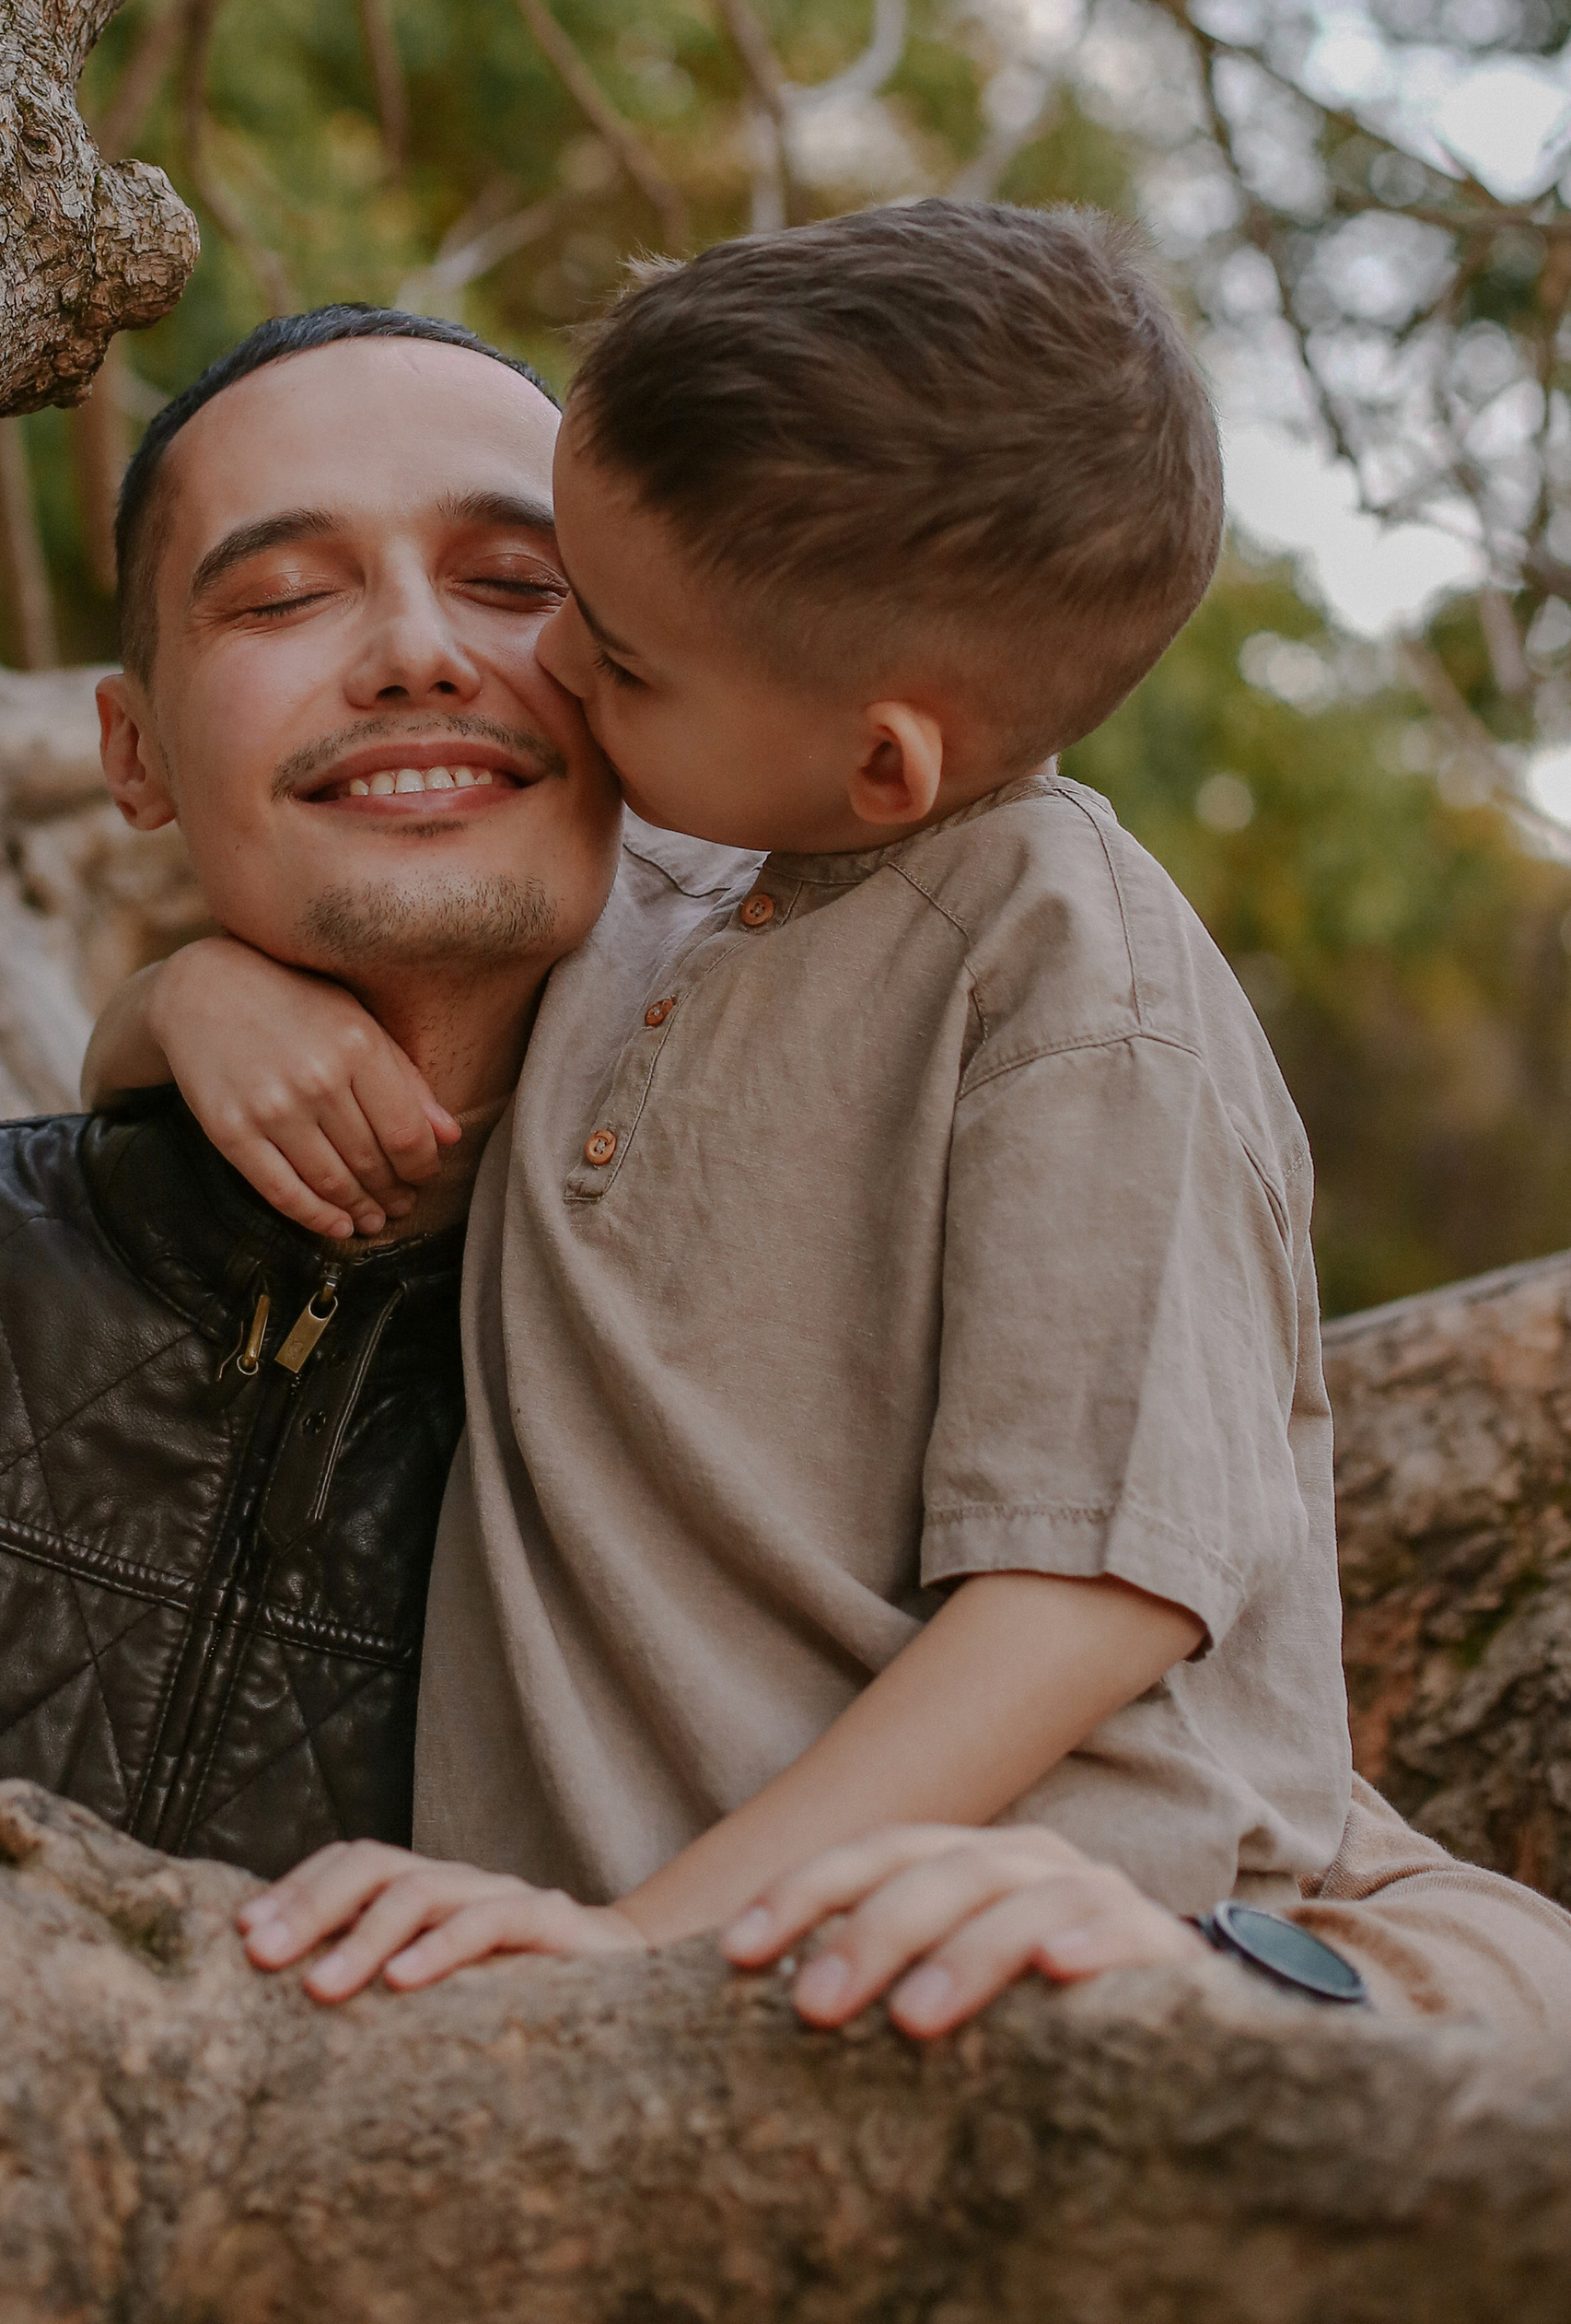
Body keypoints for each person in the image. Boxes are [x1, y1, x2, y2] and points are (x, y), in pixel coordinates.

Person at [0, 297, 1566, 2314]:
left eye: (523, 584)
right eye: (280, 595)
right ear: (127, 758)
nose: (426, 646)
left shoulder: (870, 1023)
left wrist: (1255, 2000)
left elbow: (1289, 1836)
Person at [85, 224, 1571, 2048]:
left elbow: (1088, 1595)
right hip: (636, 2009)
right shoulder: (637, 920)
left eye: (611, 648)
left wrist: (648, 1944)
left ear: (881, 766)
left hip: (1013, 1983)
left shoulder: (1063, 980)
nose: (541, 661)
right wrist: (177, 1005)